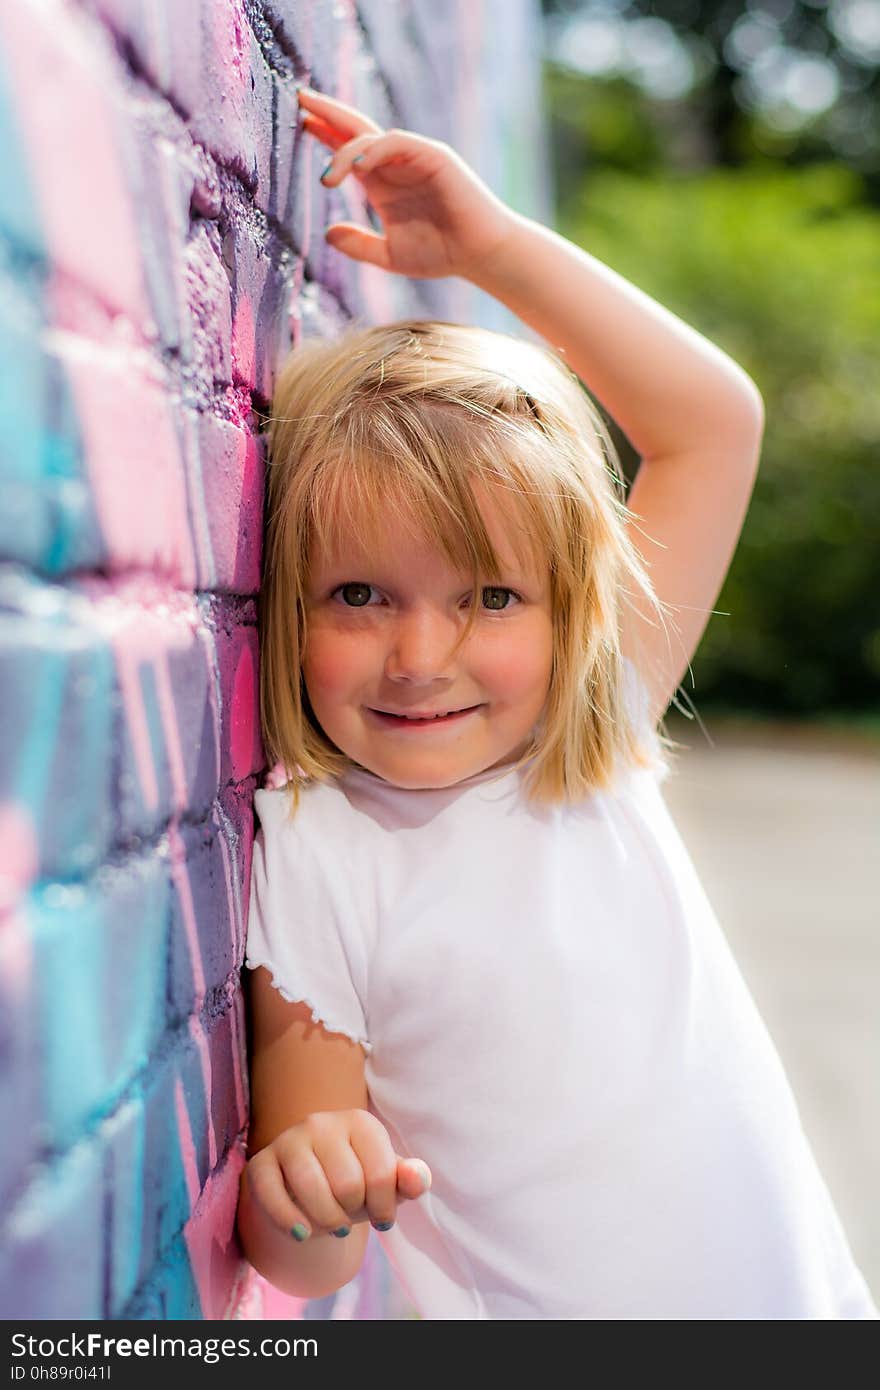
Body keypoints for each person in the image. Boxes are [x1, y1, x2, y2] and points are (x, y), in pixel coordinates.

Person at [235, 86, 879, 1320]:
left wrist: (490, 252)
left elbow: (711, 423)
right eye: (360, 593)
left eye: (489, 597)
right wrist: (306, 1185)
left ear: (568, 611)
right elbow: (302, 1257)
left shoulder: (591, 734)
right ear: (283, 603)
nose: (424, 655)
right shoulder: (319, 848)